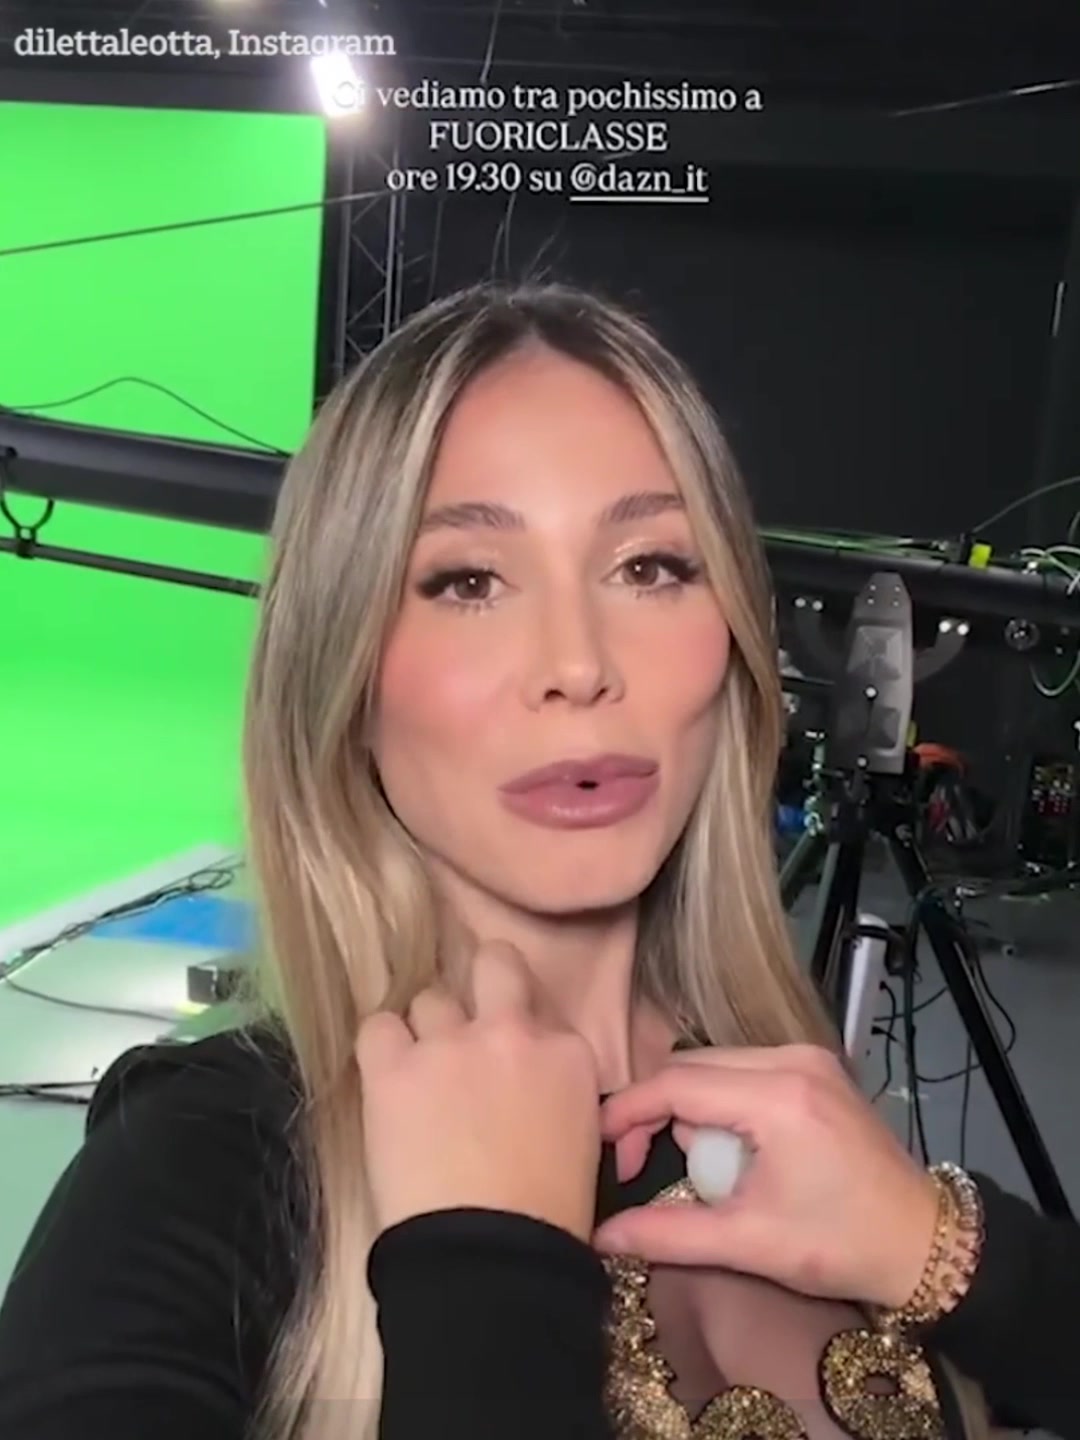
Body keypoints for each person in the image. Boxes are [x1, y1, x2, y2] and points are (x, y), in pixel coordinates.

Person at [0, 281, 1076, 1440]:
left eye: (651, 567)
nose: (578, 664)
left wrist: (951, 1253)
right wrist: (481, 1270)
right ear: (343, 676)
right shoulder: (197, 1176)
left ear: (730, 643)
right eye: (468, 581)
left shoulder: (789, 1102)